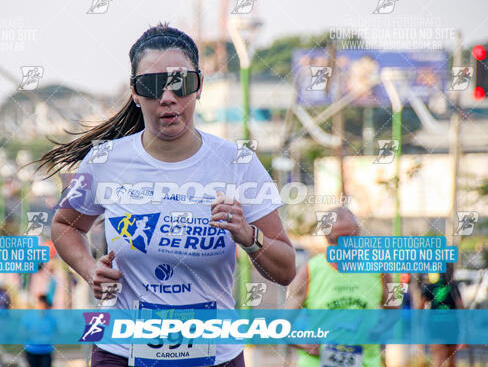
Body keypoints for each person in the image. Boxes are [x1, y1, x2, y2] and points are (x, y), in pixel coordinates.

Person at [36, 22, 296, 367]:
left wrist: (249, 236)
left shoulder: (238, 163)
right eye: (152, 86)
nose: (167, 98)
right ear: (134, 91)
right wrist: (89, 269)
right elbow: (65, 226)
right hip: (120, 352)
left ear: (199, 86)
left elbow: (286, 269)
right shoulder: (104, 160)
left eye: (180, 83)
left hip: (215, 356)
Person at [285, 206, 395, 367]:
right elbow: (282, 325)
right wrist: (302, 343)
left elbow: (395, 308)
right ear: (326, 238)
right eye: (336, 240)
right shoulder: (309, 272)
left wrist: (379, 330)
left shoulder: (380, 268)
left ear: (358, 234)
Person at [420, 265, 464, 367]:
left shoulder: (431, 287)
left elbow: (419, 307)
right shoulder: (453, 287)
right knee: (451, 359)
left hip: (435, 325)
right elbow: (461, 307)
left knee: (438, 358)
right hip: (452, 325)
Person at [21, 294, 57, 367]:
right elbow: (23, 333)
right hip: (31, 351)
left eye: (44, 305)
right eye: (40, 304)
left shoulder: (51, 318)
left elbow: (56, 333)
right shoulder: (27, 317)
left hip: (46, 352)